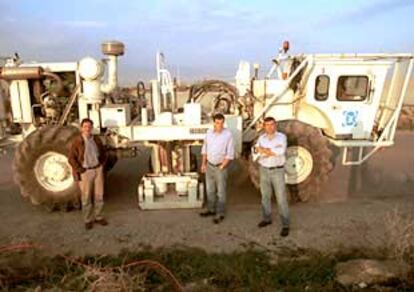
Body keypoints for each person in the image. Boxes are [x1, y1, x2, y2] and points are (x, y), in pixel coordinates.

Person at [69, 118, 108, 230]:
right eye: (85, 126)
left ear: (92, 128)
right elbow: (71, 158)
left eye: (89, 126)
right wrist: (80, 169)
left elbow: (103, 153)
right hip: (85, 171)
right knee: (86, 197)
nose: (87, 129)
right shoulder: (77, 141)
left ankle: (98, 216)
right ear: (81, 128)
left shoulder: (96, 139)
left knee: (99, 195)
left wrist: (101, 165)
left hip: (97, 169)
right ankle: (88, 219)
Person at [254, 116, 290, 237]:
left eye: (272, 124)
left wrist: (264, 150)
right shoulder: (261, 138)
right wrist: (267, 151)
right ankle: (267, 218)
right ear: (264, 126)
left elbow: (279, 152)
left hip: (277, 171)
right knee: (265, 196)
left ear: (276, 125)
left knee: (281, 198)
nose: (270, 127)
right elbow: (256, 152)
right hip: (263, 169)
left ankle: (285, 225)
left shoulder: (282, 137)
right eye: (267, 125)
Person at [200, 113, 235, 224]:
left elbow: (230, 153)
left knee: (221, 192)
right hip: (209, 166)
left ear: (223, 123)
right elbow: (205, 149)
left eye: (221, 123)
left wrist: (222, 166)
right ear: (213, 123)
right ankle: (211, 209)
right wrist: (203, 164)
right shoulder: (209, 133)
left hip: (220, 167)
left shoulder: (228, 135)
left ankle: (220, 213)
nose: (219, 125)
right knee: (210, 190)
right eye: (217, 123)